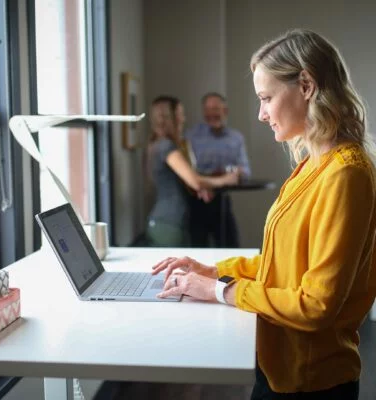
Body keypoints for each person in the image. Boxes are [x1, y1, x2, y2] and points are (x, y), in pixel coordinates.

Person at [152, 29, 376, 399]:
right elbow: (284, 266)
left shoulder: (345, 174)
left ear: (305, 85)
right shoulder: (312, 165)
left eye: (266, 98)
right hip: (278, 368)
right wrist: (215, 271)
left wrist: (220, 292)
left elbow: (316, 305)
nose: (261, 114)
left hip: (311, 383)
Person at [146, 95, 240, 247]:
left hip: (166, 222)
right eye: (180, 114)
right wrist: (226, 179)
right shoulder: (166, 147)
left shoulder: (159, 144)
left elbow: (185, 181)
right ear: (171, 117)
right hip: (170, 223)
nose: (183, 119)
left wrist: (201, 188)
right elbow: (194, 180)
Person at [185, 92, 251, 248]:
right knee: (197, 251)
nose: (211, 114)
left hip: (222, 202)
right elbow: (188, 172)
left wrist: (235, 174)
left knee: (231, 247)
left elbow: (246, 171)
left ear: (225, 111)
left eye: (215, 109)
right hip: (197, 201)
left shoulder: (236, 138)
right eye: (207, 109)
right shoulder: (191, 136)